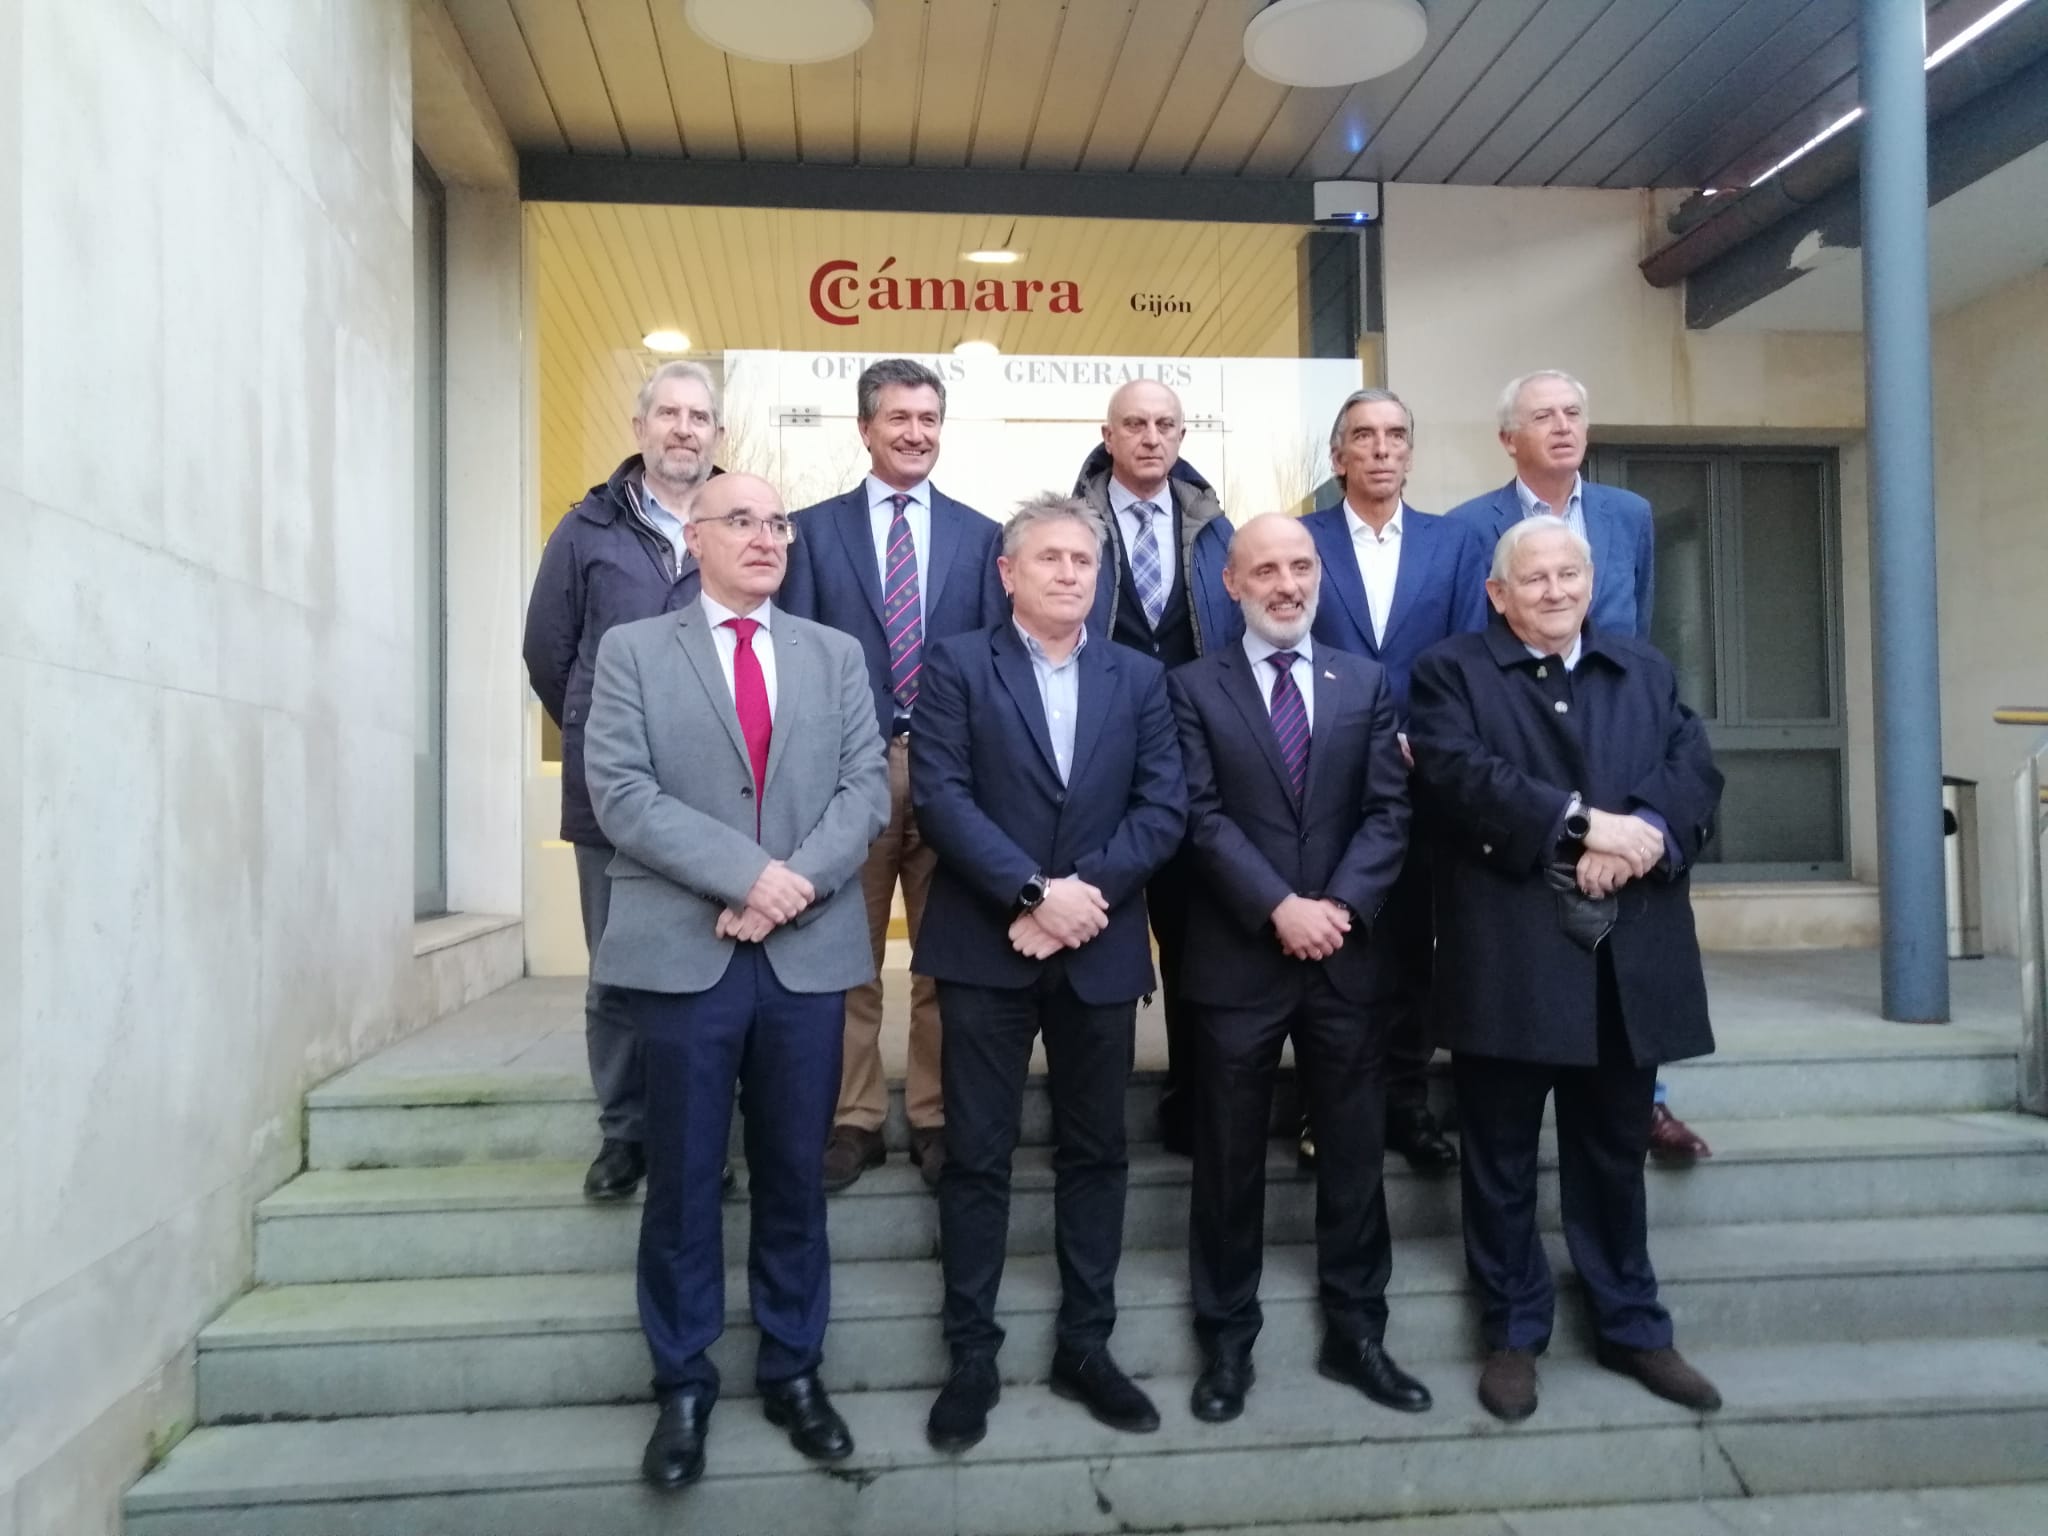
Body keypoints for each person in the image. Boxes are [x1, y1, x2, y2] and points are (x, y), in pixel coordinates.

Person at [582, 473, 890, 1489]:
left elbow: (863, 789)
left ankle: (795, 1372)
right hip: (683, 959)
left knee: (794, 1179)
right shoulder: (633, 651)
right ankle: (681, 1384)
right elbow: (621, 793)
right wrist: (745, 875)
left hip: (802, 962)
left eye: (777, 524)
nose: (765, 537)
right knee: (680, 1183)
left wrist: (784, 889)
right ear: (694, 540)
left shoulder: (835, 655)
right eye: (741, 521)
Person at [1408, 514, 1724, 1425]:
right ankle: (1512, 1330)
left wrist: (1643, 836)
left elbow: (1693, 767)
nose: (1554, 591)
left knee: (1612, 1153)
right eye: (1534, 578)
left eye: (1569, 575)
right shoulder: (1451, 673)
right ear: (1498, 594)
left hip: (1628, 950)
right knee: (1500, 1158)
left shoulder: (1645, 668)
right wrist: (1582, 826)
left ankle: (1633, 1324)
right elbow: (1459, 777)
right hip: (1511, 951)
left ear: (1591, 584)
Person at [909, 493, 1187, 1453]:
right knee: (979, 1155)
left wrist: (1076, 902)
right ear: (1009, 572)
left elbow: (1164, 808)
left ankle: (1086, 1345)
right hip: (985, 946)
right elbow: (940, 797)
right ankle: (971, 1356)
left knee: (1096, 1153)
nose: (1071, 573)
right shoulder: (955, 665)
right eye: (1051, 559)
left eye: (1083, 560)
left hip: (1099, 948)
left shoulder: (1140, 678)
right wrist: (1031, 893)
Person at [1168, 514, 1431, 1425]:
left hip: (1347, 959)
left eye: (1301, 566)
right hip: (1240, 956)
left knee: (1356, 1156)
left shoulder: (1364, 681)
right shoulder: (1191, 688)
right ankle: (1227, 1340)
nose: (1287, 583)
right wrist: (1280, 907)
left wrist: (1340, 909)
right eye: (1266, 569)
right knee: (1229, 1161)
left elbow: (1390, 814)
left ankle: (1358, 1332)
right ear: (1232, 584)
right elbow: (1197, 816)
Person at [1446, 369, 1711, 1163]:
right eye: (1542, 416)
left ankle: (1647, 1102)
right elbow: (1478, 647)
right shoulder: (1471, 527)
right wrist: (1578, 826)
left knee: (1623, 988)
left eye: (1573, 414)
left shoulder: (1628, 516)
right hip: (1528, 752)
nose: (1563, 427)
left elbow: (1636, 631)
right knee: (1532, 984)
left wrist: (1633, 824)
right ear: (1508, 439)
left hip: (1620, 744)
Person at [782, 358, 1008, 1194]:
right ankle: (855, 1119)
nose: (916, 433)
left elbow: (993, 667)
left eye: (929, 419)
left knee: (947, 957)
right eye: (899, 419)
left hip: (951, 772)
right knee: (847, 951)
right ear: (865, 428)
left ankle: (939, 1117)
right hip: (852, 771)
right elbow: (799, 657)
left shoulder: (983, 538)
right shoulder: (814, 530)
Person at [522, 360, 722, 1202]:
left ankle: (712, 1138)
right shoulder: (587, 528)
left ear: (717, 434)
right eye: (668, 414)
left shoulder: (742, 519)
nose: (683, 428)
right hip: (612, 798)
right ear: (640, 428)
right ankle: (625, 1134)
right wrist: (604, 739)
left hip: (722, 797)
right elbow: (548, 653)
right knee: (618, 972)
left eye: (699, 416)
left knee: (718, 973)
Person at [1299, 388, 1490, 1174]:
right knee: (1332, 951)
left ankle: (1406, 1101)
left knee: (1413, 945)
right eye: (1363, 437)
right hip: (1318, 782)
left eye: (1395, 435)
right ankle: (1326, 1107)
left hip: (1421, 782)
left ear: (1411, 451)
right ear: (1338, 455)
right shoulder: (1299, 541)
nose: (1381, 449)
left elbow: (1472, 658)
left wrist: (1431, 743)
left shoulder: (1457, 544)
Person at [1073, 379, 1236, 1155]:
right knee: (1094, 917)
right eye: (1134, 424)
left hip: (1190, 751)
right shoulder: (1072, 524)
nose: (1150, 437)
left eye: (1166, 424)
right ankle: (1090, 1112)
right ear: (1107, 434)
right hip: (1094, 750)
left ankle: (1191, 1099)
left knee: (1194, 932)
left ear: (1182, 432)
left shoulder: (1214, 528)